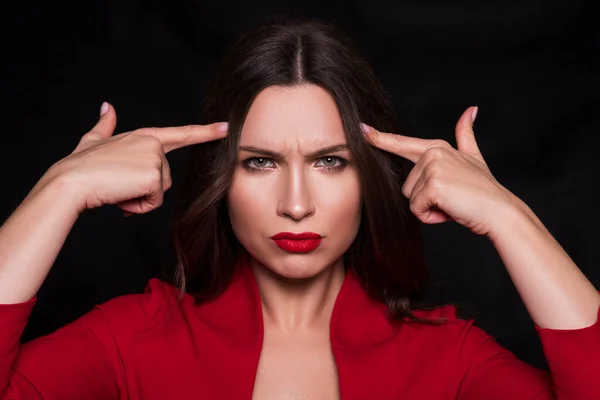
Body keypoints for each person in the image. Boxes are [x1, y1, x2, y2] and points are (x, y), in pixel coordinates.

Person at [0, 15, 599, 400]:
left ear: (369, 178)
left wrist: (511, 219)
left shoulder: (449, 359)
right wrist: (60, 190)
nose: (295, 204)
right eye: (260, 162)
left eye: (330, 161)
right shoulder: (131, 340)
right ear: (220, 178)